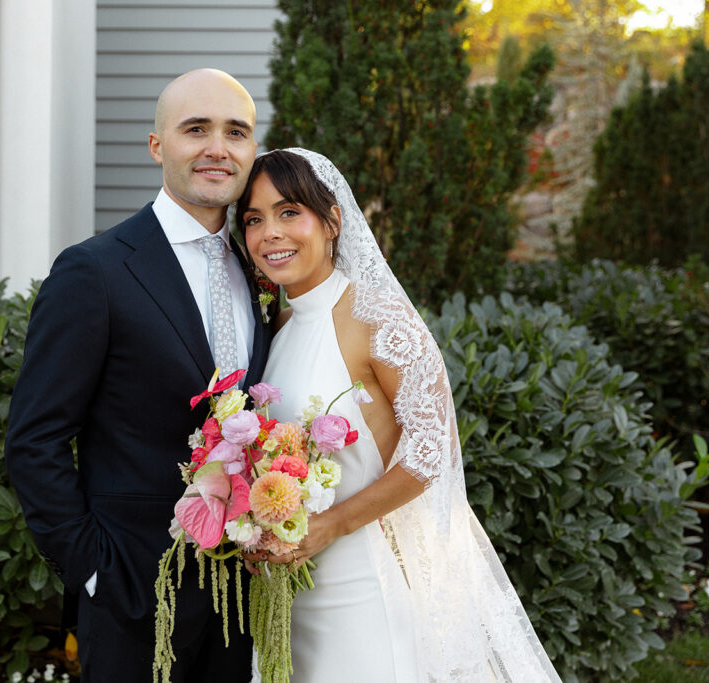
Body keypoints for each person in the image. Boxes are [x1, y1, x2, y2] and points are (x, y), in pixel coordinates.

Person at [236, 149, 561, 682]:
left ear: (332, 221)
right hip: (291, 589)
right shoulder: (278, 327)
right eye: (254, 219)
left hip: (366, 585)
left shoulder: (378, 317)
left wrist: (332, 524)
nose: (270, 232)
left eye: (289, 211)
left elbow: (433, 450)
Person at [5, 69, 270, 682]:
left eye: (236, 132)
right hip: (133, 597)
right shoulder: (94, 271)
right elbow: (35, 440)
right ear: (157, 145)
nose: (218, 148)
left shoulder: (263, 268)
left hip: (246, 598)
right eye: (195, 129)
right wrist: (95, 572)